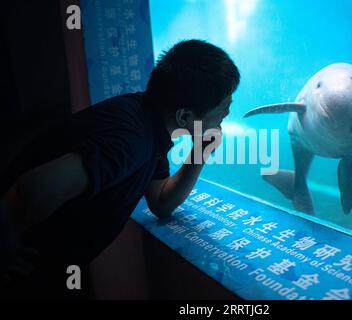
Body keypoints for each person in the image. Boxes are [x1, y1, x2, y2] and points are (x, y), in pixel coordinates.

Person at [0, 39, 240, 298]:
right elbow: (32, 189)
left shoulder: (150, 123)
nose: (227, 112)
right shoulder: (130, 141)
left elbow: (160, 201)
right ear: (184, 117)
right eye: (223, 106)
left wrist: (200, 151)